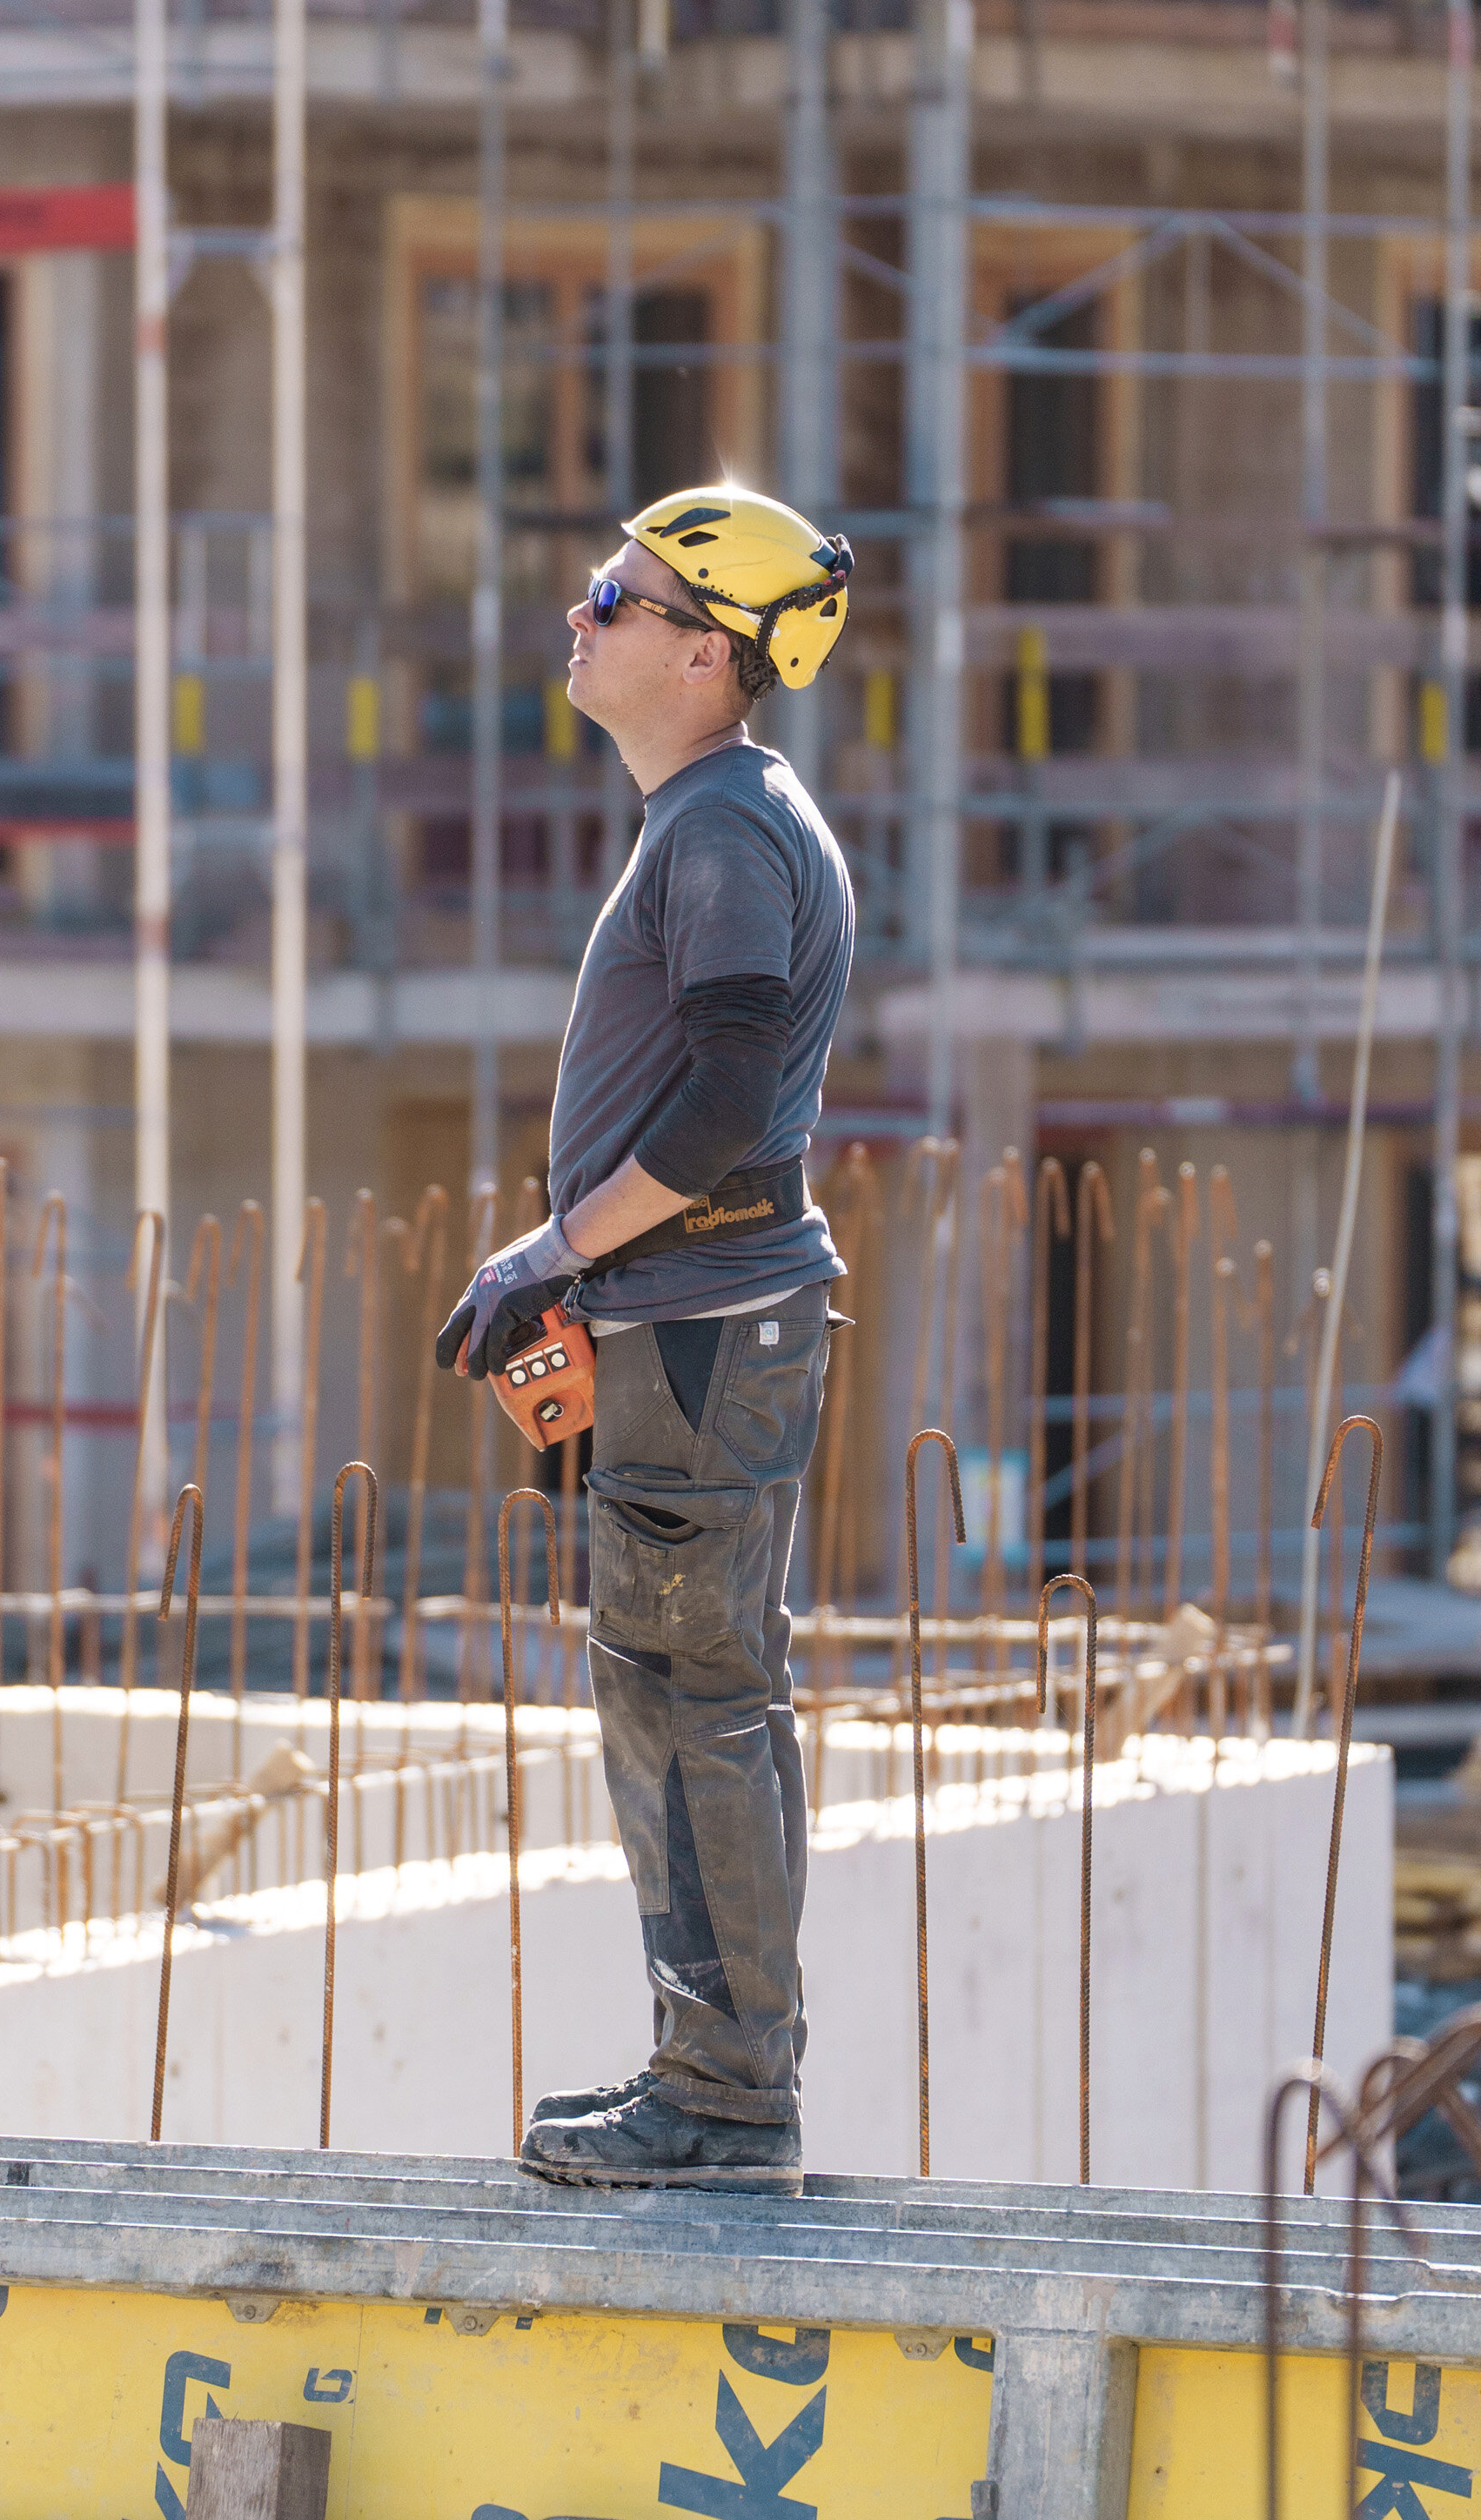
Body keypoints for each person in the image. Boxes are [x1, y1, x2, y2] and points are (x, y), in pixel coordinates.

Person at [435, 484, 858, 2195]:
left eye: (613, 598)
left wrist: (552, 1249)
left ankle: (725, 2097)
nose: (577, 612)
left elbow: (728, 1099)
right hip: (693, 1320)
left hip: (701, 1321)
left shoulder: (720, 834)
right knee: (694, 1690)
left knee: (692, 1702)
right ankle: (719, 2078)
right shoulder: (717, 817)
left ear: (701, 652)